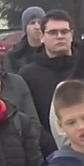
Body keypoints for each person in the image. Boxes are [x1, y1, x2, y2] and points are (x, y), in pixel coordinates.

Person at [19, 10, 79, 154]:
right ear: (42, 37)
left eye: (64, 32)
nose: (60, 36)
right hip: (48, 153)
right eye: (53, 32)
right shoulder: (28, 75)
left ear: (71, 35)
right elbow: (29, 119)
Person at [5, 5, 47, 71]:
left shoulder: (53, 51)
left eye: (40, 22)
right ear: (25, 28)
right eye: (32, 23)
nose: (37, 27)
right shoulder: (15, 55)